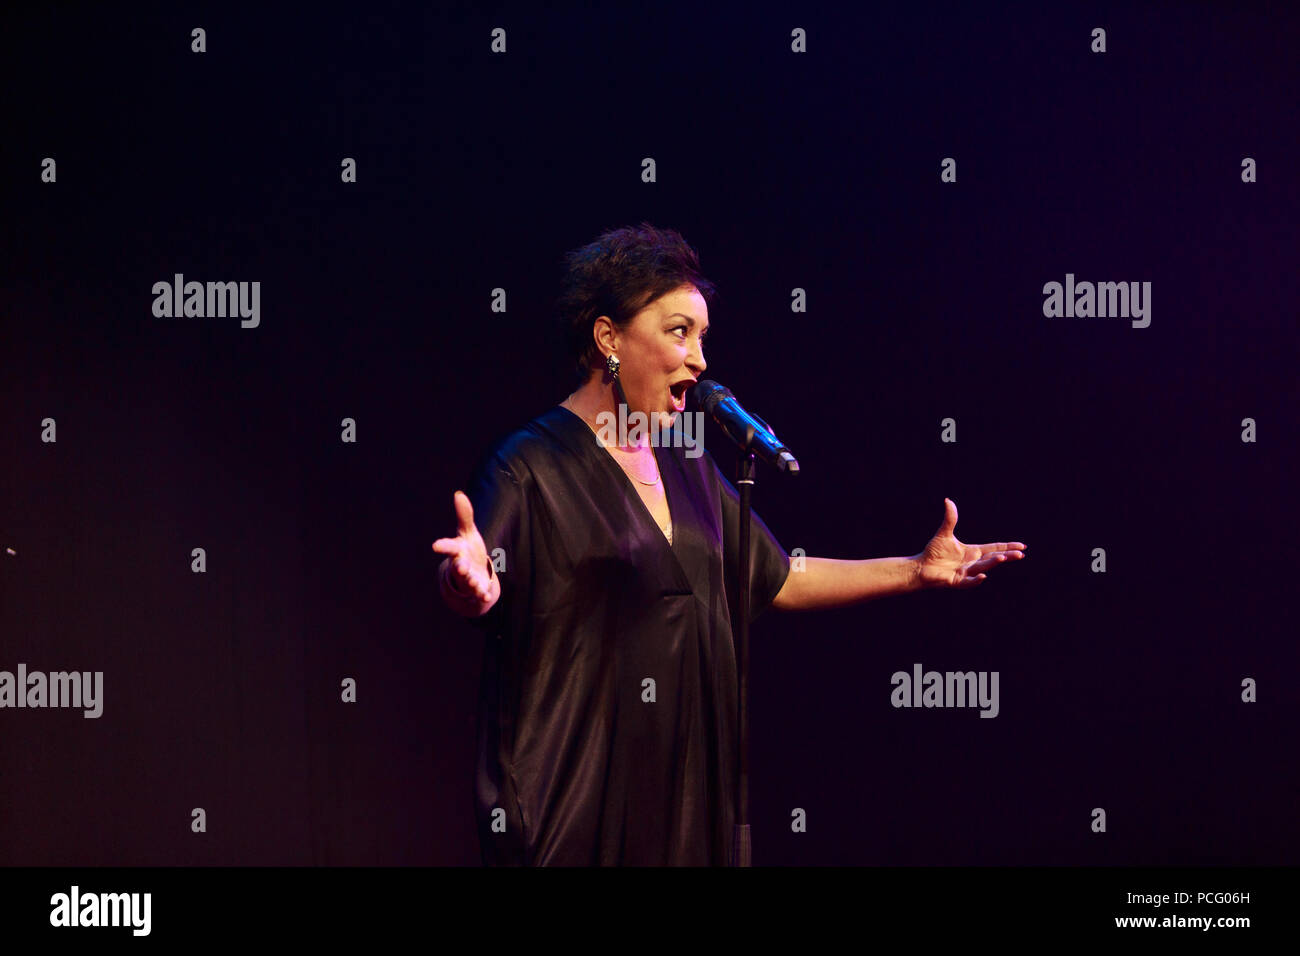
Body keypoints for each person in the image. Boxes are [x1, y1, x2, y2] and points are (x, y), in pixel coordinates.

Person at [433, 223, 1027, 865]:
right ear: (609, 339)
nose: (700, 359)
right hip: (572, 809)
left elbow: (781, 579)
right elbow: (478, 578)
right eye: (678, 332)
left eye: (703, 337)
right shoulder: (528, 467)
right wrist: (468, 584)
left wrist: (914, 570)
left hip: (686, 809)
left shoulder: (687, 461)